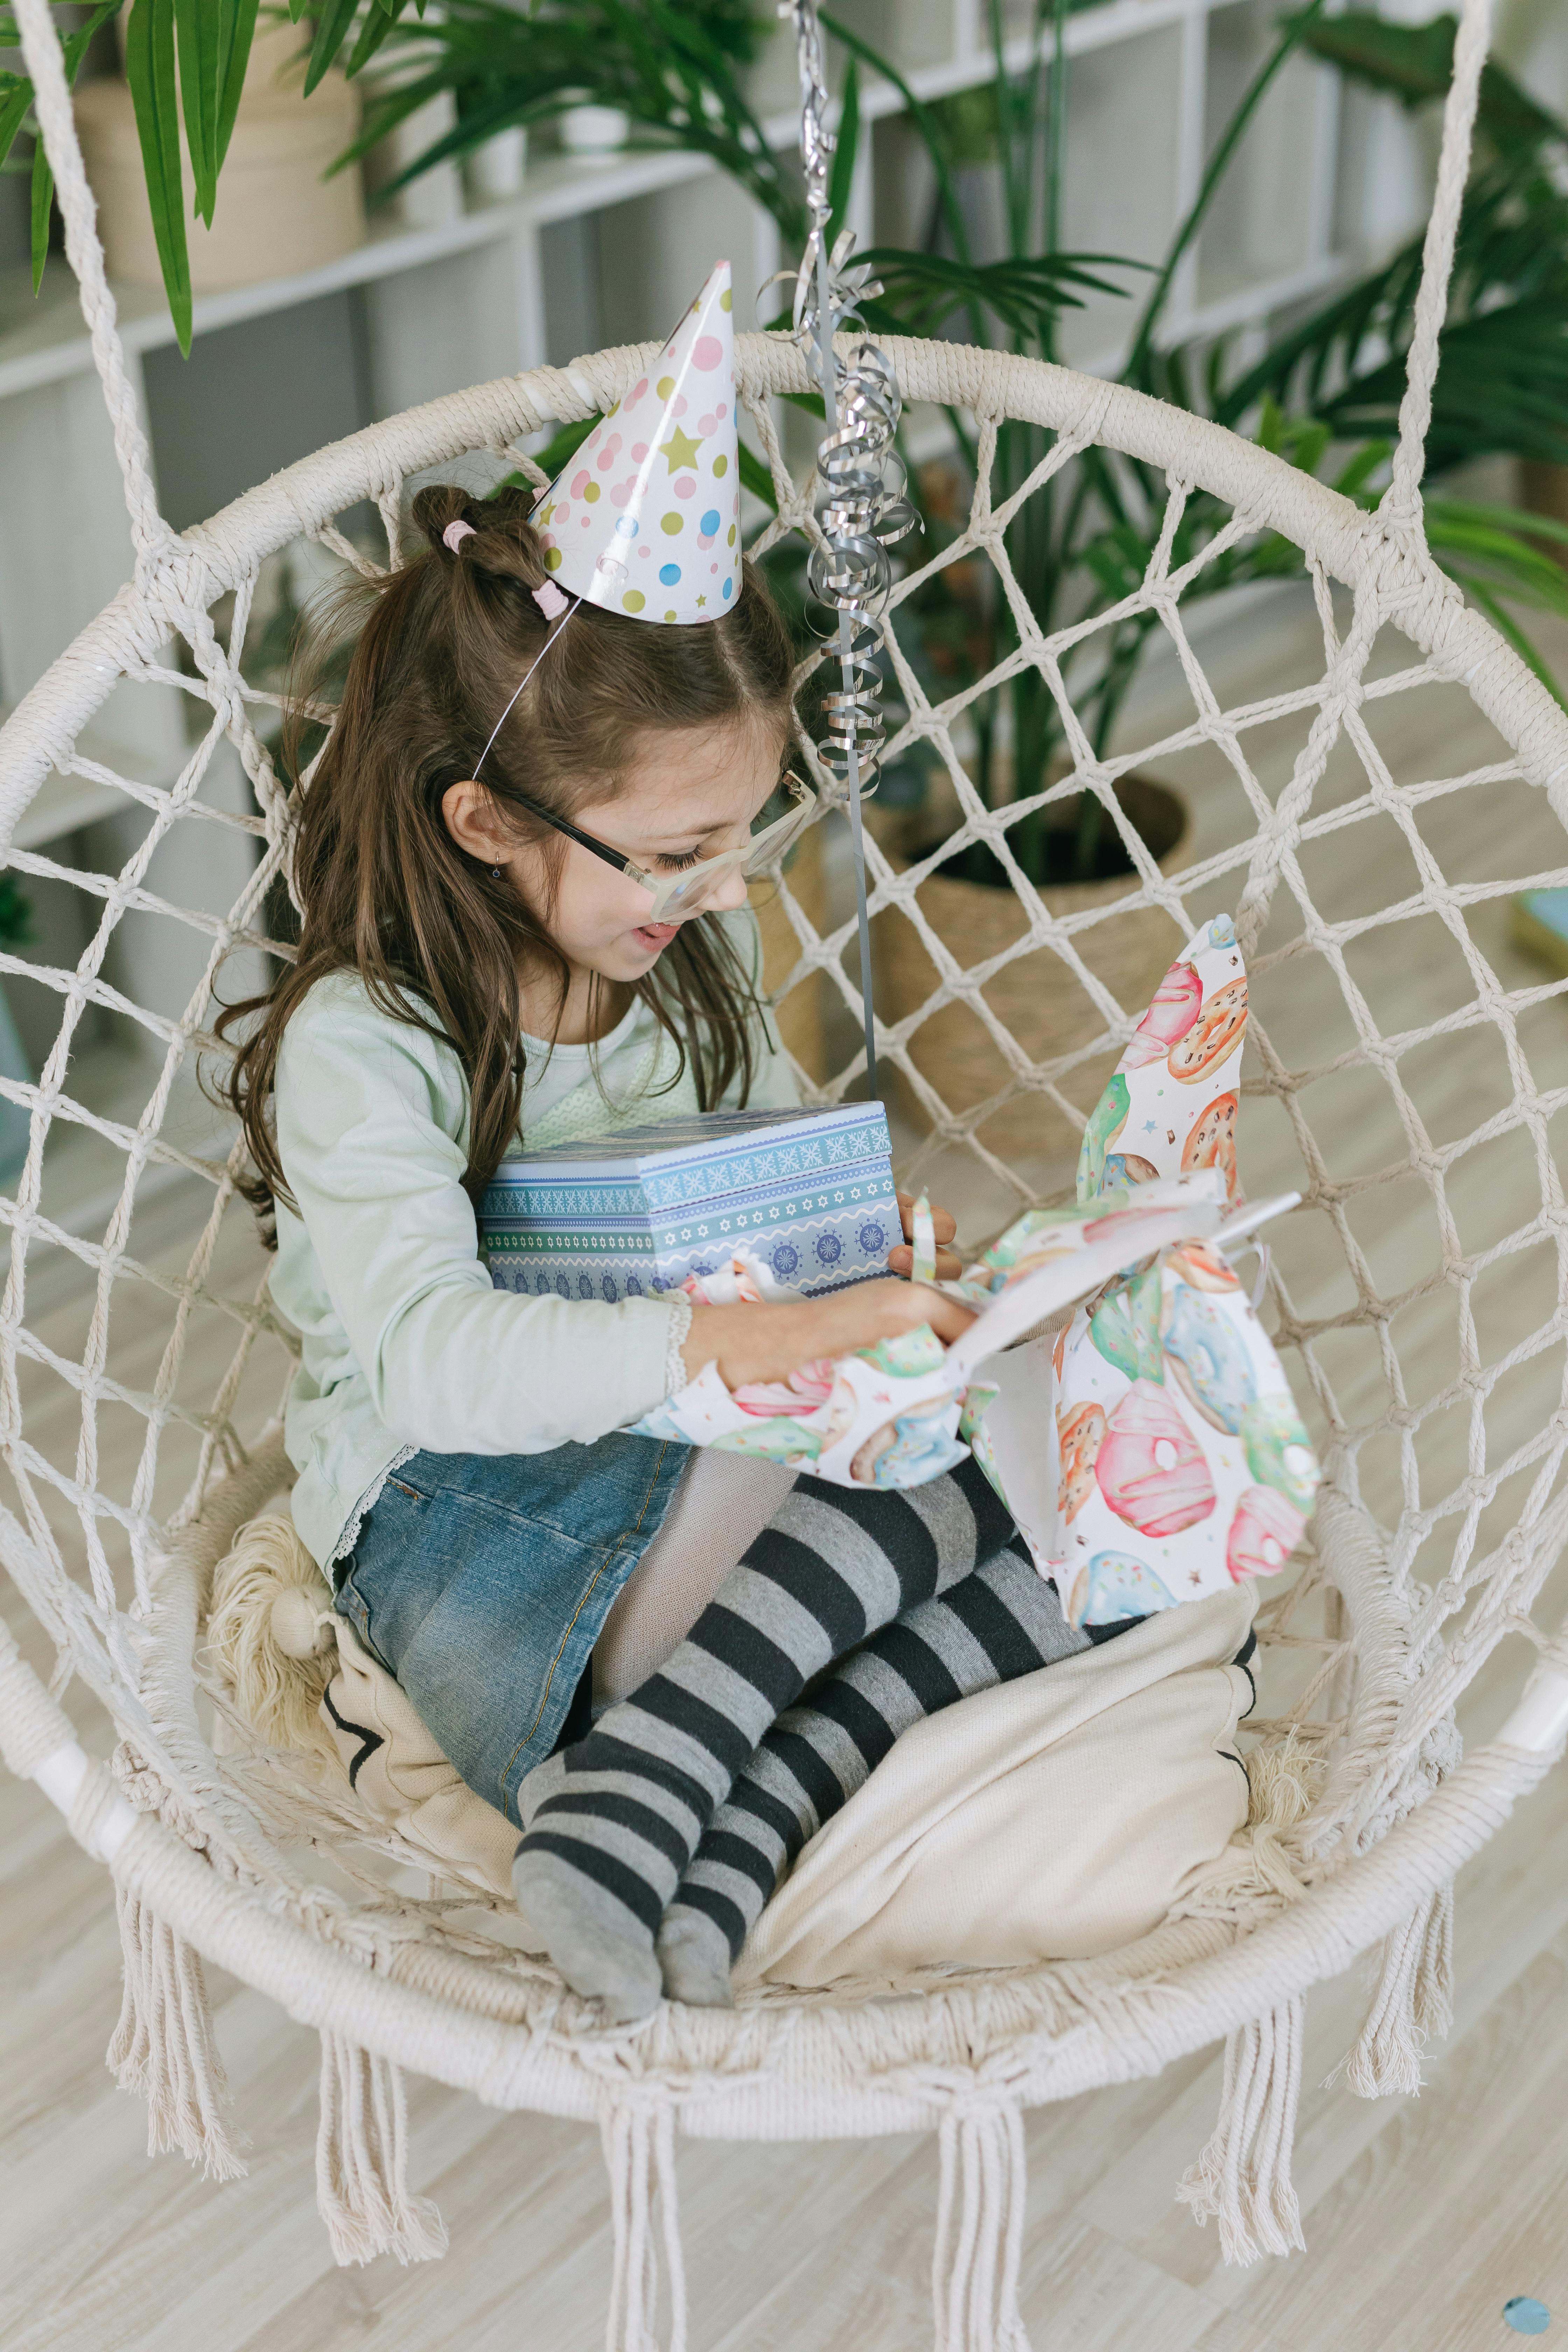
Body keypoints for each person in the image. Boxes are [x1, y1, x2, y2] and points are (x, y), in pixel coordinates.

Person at [222, 272, 1104, 2018]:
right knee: (976, 1508)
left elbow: (768, 1177)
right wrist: (758, 1347)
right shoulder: (368, 1043)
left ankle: (706, 1785)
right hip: (478, 1522)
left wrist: (858, 1264)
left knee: (1105, 1438)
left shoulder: (689, 953)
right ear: (482, 820)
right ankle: (693, 1748)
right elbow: (438, 1368)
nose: (722, 889)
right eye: (674, 849)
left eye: (743, 835)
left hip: (721, 1456)